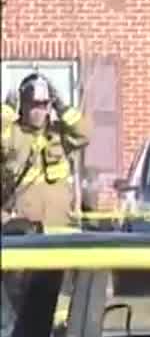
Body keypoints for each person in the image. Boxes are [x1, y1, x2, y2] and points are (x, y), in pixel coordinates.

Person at [1, 74, 90, 231]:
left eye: (43, 105)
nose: (38, 110)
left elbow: (84, 134)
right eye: (33, 104)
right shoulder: (12, 133)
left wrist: (62, 107)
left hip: (60, 229)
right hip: (21, 233)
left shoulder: (59, 133)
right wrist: (6, 112)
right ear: (22, 105)